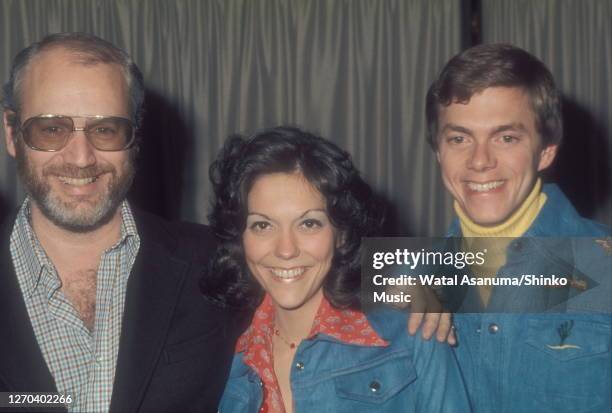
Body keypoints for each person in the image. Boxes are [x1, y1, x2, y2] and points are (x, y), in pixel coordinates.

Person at [0, 32, 245, 412]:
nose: (81, 158)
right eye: (51, 130)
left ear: (134, 139)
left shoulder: (213, 259)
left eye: (105, 130)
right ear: (12, 134)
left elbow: (358, 268)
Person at [203, 126, 470, 413]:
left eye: (309, 223)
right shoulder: (226, 356)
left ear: (341, 233)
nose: (285, 249)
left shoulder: (412, 331)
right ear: (241, 238)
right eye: (262, 225)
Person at [426, 43, 611, 412]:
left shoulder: (604, 267)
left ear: (545, 151)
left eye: (506, 138)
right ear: (438, 151)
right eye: (459, 138)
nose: (480, 161)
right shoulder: (399, 275)